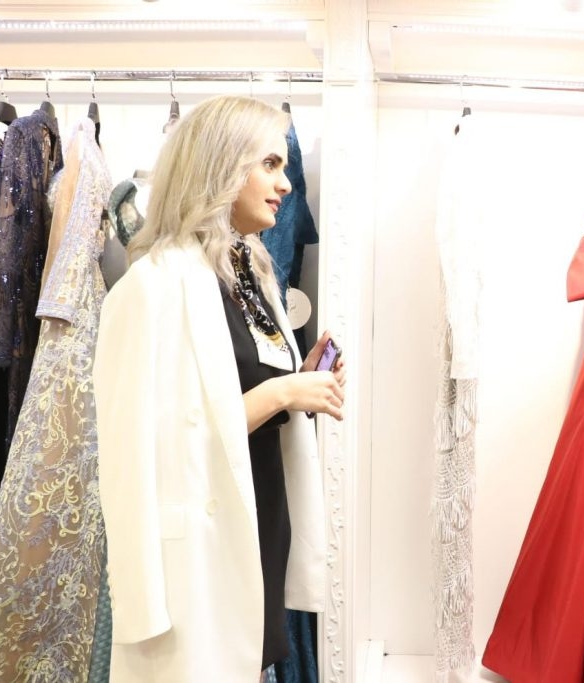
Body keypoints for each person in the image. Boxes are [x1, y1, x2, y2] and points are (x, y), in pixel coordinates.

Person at [93, 95, 345, 683]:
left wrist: (298, 382)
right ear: (222, 168)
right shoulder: (149, 288)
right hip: (195, 557)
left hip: (257, 527)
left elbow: (230, 392)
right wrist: (283, 395)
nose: (286, 185)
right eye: (270, 165)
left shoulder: (250, 276)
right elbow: (133, 455)